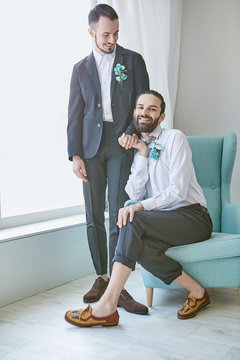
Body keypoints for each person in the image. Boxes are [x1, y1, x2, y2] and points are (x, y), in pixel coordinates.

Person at [65, 90, 213, 327]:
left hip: (194, 218)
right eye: (140, 107)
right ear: (134, 112)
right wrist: (143, 154)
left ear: (162, 117)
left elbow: (178, 192)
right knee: (139, 242)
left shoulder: (175, 138)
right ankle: (197, 292)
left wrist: (141, 206)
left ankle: (107, 306)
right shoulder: (138, 149)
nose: (144, 112)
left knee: (132, 218)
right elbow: (133, 194)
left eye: (152, 109)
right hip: (164, 221)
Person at [67, 3, 149, 314]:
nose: (111, 40)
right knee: (92, 215)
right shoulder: (80, 69)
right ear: (91, 32)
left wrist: (132, 132)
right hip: (89, 147)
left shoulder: (133, 60)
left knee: (118, 212)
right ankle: (100, 276)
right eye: (105, 34)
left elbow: (142, 102)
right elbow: (74, 116)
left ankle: (119, 286)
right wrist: (75, 154)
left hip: (121, 144)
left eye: (115, 34)